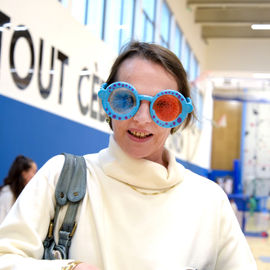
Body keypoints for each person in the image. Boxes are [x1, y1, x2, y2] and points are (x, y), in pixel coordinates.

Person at [0, 42, 256, 270]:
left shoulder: (208, 201)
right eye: (126, 99)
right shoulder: (61, 178)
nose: (142, 118)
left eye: (163, 105)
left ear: (179, 116)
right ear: (107, 102)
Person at [0, 155, 37, 224]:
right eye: (34, 172)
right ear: (24, 174)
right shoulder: (7, 196)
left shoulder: (21, 196)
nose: (36, 176)